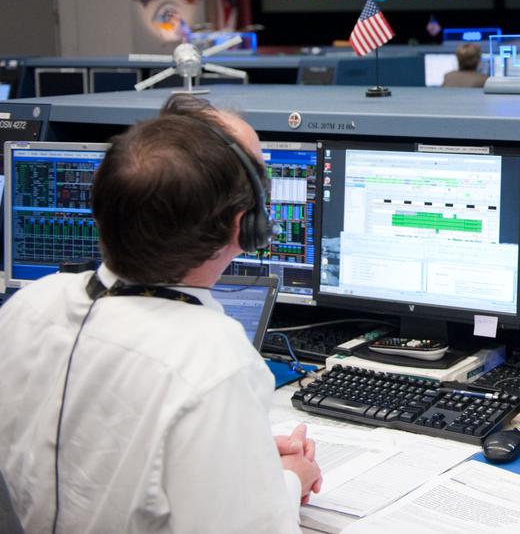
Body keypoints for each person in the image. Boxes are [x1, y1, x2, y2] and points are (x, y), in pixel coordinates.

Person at [0, 94, 322, 533]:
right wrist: (287, 480)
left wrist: (237, 454)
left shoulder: (29, 307)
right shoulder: (213, 362)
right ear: (244, 226)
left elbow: (91, 457)